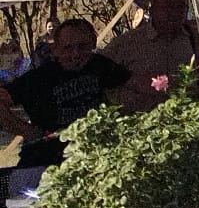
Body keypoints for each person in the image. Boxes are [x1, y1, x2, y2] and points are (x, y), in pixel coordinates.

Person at [0, 18, 129, 166]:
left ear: (93, 43)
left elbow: (136, 84)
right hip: (46, 159)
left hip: (94, 154)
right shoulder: (39, 78)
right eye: (68, 48)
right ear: (55, 49)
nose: (76, 54)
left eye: (82, 46)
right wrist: (26, 130)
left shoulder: (100, 65)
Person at [102, 0, 199, 112]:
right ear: (153, 8)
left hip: (185, 116)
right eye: (166, 7)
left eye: (179, 7)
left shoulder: (197, 39)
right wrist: (132, 80)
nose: (172, 13)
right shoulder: (128, 42)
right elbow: (99, 69)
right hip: (139, 118)